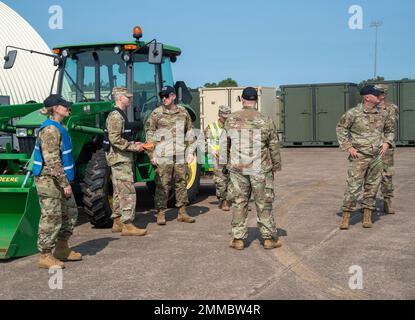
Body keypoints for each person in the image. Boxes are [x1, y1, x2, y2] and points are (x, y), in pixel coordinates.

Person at [224, 87, 282, 250]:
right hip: (260, 169)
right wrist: (275, 166)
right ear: (256, 100)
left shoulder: (231, 119)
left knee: (239, 202)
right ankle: (269, 239)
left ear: (242, 99)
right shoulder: (265, 120)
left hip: (238, 169)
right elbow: (274, 146)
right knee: (263, 203)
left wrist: (225, 165)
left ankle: (238, 239)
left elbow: (225, 144)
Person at [336, 85, 395, 230]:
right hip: (359, 156)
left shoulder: (383, 114)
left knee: (372, 187)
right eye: (376, 94)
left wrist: (387, 143)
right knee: (353, 186)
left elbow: (390, 130)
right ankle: (346, 216)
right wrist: (348, 147)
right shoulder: (353, 113)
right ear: (368, 97)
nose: (380, 97)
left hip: (377, 156)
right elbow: (341, 128)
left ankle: (367, 215)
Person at [33, 94, 81, 269]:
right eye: (64, 105)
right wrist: (65, 183)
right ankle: (45, 255)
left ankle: (62, 248)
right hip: (49, 181)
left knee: (70, 213)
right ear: (55, 108)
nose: (68, 108)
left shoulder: (59, 127)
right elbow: (52, 160)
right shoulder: (51, 130)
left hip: (58, 180)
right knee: (51, 217)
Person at [145, 86, 196, 225]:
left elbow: (190, 132)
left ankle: (182, 212)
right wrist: (151, 154)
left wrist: (190, 151)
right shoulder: (156, 113)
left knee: (181, 182)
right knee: (162, 184)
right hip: (162, 155)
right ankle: (161, 213)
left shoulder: (183, 112)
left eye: (166, 96)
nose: (164, 99)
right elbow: (149, 134)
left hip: (180, 154)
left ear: (173, 96)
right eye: (162, 96)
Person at [104, 87, 147, 236]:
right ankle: (127, 224)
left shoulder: (119, 115)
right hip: (120, 159)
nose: (129, 99)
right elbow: (114, 139)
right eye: (127, 97)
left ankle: (117, 221)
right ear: (120, 98)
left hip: (119, 158)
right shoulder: (116, 116)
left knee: (118, 191)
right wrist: (134, 147)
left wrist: (134, 143)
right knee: (127, 191)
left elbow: (121, 137)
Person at [375, 84, 399, 214]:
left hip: (385, 146)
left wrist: (386, 142)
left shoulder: (391, 108)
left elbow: (390, 128)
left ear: (383, 94)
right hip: (370, 146)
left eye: (377, 92)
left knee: (387, 175)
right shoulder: (367, 107)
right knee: (369, 175)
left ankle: (387, 202)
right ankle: (369, 202)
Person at [204, 105, 232, 211]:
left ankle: (237, 201)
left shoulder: (233, 127)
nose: (226, 119)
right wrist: (211, 151)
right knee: (221, 180)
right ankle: (223, 201)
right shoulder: (212, 127)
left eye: (227, 116)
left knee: (233, 180)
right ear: (219, 115)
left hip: (231, 157)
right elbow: (203, 142)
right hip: (217, 158)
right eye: (224, 116)